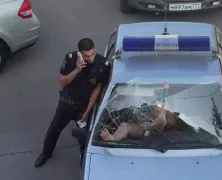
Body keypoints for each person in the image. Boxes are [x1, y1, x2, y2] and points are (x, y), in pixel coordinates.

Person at [34, 38, 111, 168]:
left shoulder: (103, 63)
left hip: (84, 106)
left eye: (92, 54)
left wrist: (88, 111)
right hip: (67, 102)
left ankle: (84, 162)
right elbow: (62, 82)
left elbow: (97, 89)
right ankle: (46, 153)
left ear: (95, 49)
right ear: (80, 53)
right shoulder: (71, 59)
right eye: (86, 56)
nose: (90, 58)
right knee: (54, 129)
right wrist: (76, 70)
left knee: (84, 136)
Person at [100, 100, 177, 141]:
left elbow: (127, 127)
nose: (162, 112)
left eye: (165, 115)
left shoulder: (146, 133)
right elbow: (127, 126)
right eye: (165, 112)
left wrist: (112, 140)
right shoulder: (140, 110)